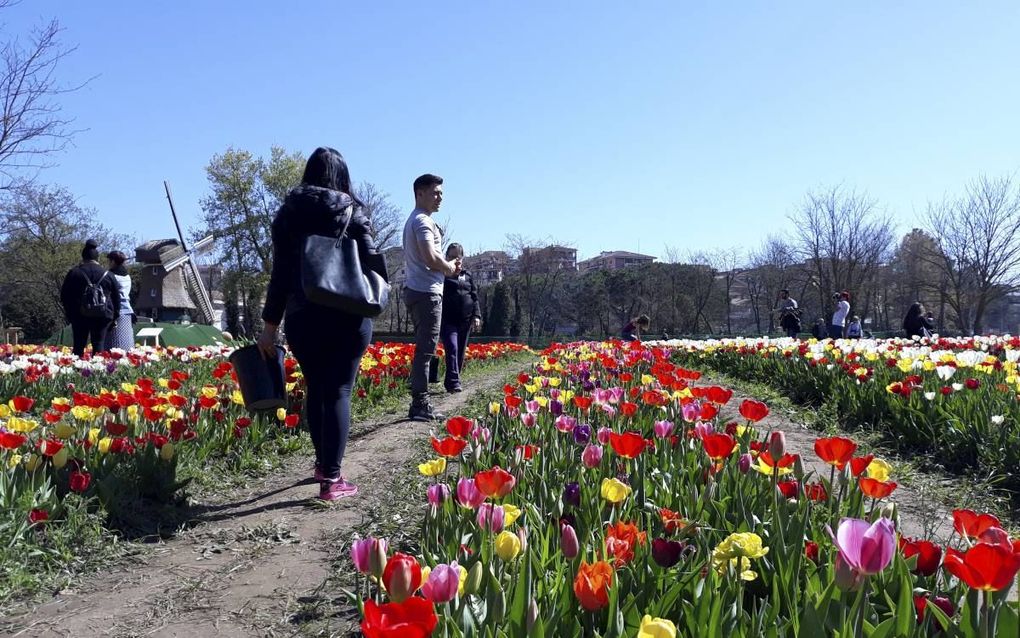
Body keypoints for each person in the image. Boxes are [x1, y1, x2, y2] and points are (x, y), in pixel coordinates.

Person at [258, 147, 387, 501]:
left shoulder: (288, 215)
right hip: (349, 313)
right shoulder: (353, 210)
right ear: (342, 177)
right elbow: (373, 261)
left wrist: (271, 324)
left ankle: (321, 464)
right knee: (340, 390)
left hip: (303, 314)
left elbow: (280, 275)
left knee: (317, 387)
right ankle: (332, 479)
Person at [402, 173, 461, 421]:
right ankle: (420, 403)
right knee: (425, 350)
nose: (439, 198)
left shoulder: (414, 220)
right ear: (420, 193)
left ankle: (419, 400)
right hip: (426, 292)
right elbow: (429, 257)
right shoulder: (422, 221)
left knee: (424, 348)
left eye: (441, 194)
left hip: (417, 290)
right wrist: (449, 268)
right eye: (435, 193)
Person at [429, 243, 481, 393]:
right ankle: (453, 383)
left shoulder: (467, 275)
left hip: (465, 319)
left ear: (462, 258)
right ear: (446, 258)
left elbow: (474, 296)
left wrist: (476, 316)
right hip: (448, 319)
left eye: (458, 256)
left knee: (460, 352)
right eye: (452, 257)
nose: (455, 260)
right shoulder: (442, 275)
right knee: (452, 348)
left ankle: (452, 379)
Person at [60, 239, 121, 357]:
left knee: (78, 346)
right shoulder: (108, 275)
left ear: (83, 257)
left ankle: (77, 371)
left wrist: (70, 314)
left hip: (79, 314)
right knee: (99, 345)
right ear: (97, 258)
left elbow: (64, 296)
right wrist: (114, 317)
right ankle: (97, 372)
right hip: (102, 315)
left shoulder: (74, 273)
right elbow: (116, 299)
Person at [104, 251, 135, 350]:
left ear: (113, 261)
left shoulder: (111, 276)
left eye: (109, 260)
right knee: (126, 345)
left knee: (112, 345)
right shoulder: (127, 277)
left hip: (114, 311)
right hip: (127, 311)